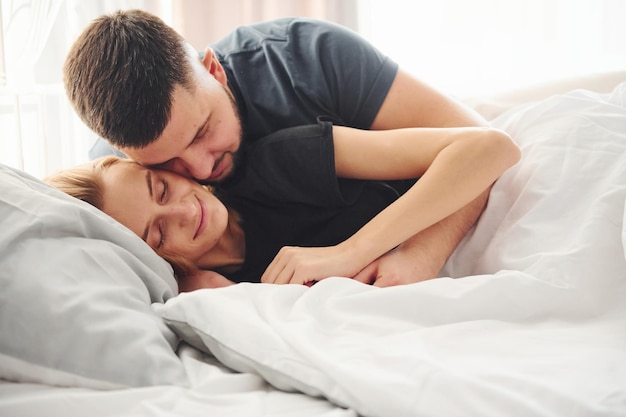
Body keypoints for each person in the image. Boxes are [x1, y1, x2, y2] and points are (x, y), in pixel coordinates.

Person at [63, 9, 493, 285]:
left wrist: (418, 256)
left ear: (214, 71)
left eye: (200, 133)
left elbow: (479, 147)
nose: (198, 169)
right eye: (165, 164)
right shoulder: (120, 183)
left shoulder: (307, 58)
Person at [45, 121, 520, 290]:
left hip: (486, 213)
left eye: (162, 190)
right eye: (157, 234)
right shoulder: (212, 294)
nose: (185, 214)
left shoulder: (279, 161)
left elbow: (490, 147)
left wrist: (367, 253)